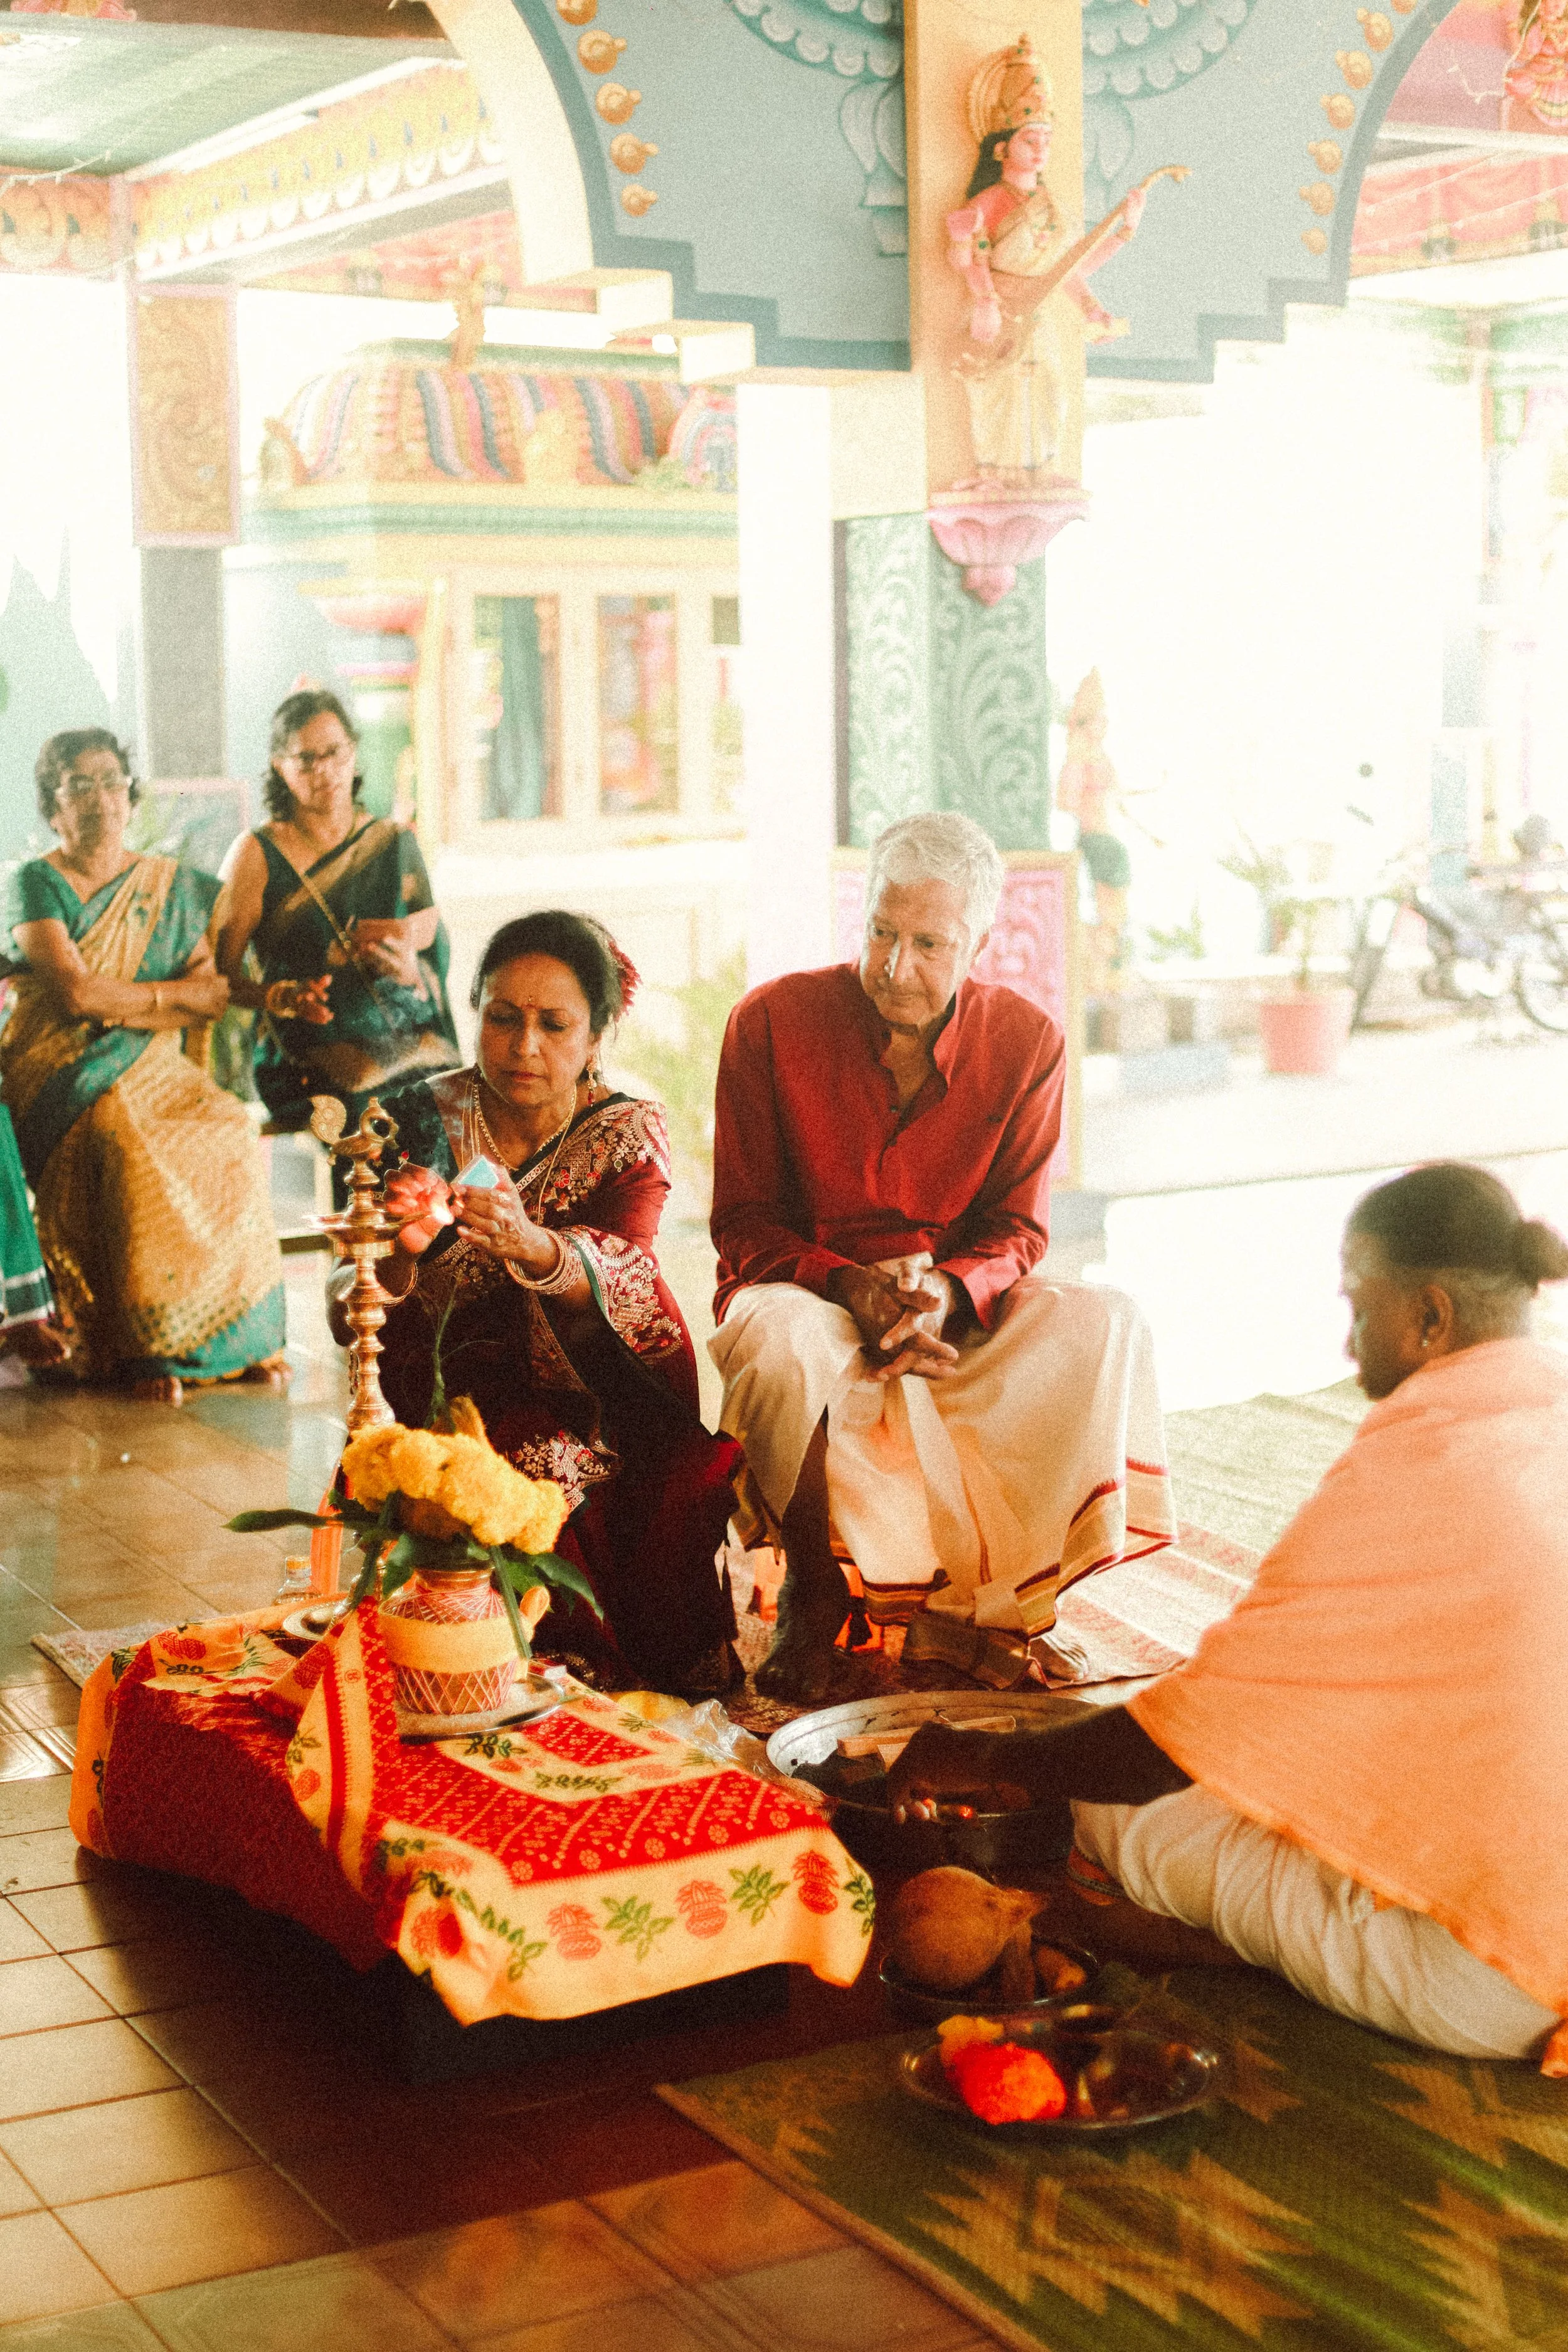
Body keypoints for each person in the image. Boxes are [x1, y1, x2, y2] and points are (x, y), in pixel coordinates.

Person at [891, 1162, 1568, 2067]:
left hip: (1505, 1975)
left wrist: (978, 1755)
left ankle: (1260, 1958)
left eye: (1361, 1306)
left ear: (1431, 1315)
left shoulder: (1422, 1462)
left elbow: (1173, 1749)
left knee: (1115, 1820)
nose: (1349, 1344)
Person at [709, 811, 1175, 1703]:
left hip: (948, 1313)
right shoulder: (769, 1023)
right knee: (778, 1342)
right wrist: (848, 1285)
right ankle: (817, 1592)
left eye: (929, 943)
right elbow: (743, 1221)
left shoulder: (1029, 1042)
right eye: (882, 932)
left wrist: (947, 1294)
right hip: (808, 1291)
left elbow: (1019, 1229)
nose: (894, 965)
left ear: (980, 942)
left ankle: (1002, 1605)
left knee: (1105, 1321)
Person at [342, 910, 740, 1696]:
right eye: (502, 1019)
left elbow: (630, 1267)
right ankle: (569, 1683)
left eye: (554, 1025)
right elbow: (350, 1302)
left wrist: (536, 1246)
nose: (525, 1047)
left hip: (608, 1384)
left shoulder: (627, 1132)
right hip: (465, 1389)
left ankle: (678, 1684)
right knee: (542, 1466)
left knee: (680, 1474)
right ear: (476, 1015)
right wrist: (396, 1255)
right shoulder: (416, 1119)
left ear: (596, 1037)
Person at [1, 730, 286, 1404]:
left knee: (227, 1129)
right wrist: (162, 999)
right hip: (59, 1067)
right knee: (128, 1138)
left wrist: (127, 1006)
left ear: (130, 794)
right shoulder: (34, 882)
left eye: (111, 781)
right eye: (79, 786)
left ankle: (238, 1337)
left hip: (155, 1064)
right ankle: (142, 1344)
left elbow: (207, 996)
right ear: (53, 808)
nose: (100, 799)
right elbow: (74, 994)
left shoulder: (171, 888)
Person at [213, 689, 459, 1140]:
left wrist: (407, 960)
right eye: (306, 759)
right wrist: (280, 996)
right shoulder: (258, 854)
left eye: (334, 753)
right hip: (306, 1050)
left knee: (455, 1094)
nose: (323, 770)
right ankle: (378, 1212)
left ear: (354, 752)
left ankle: (434, 1211)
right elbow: (216, 974)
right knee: (371, 1106)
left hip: (403, 1028)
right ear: (279, 766)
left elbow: (431, 937)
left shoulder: (391, 840)